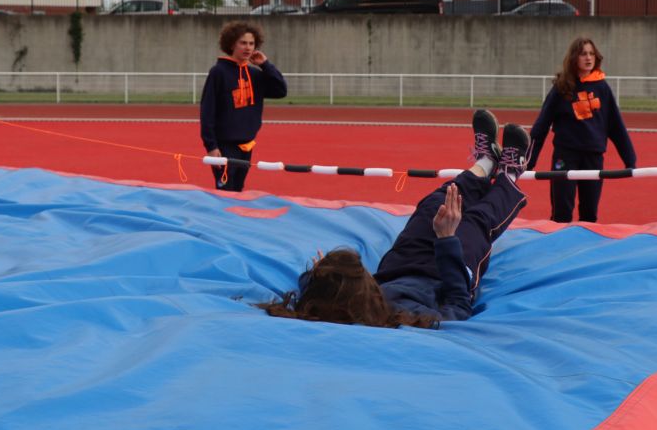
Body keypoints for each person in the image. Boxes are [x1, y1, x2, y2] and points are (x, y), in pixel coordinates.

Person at [258, 111, 529, 328]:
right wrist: (447, 240)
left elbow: (315, 292)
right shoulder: (406, 316)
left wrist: (318, 275)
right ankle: (510, 172)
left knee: (433, 205)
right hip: (446, 274)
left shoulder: (341, 300)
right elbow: (457, 306)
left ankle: (485, 162)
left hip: (401, 264)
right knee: (475, 221)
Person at [527, 36, 636, 224]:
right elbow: (541, 126)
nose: (588, 58)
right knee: (561, 214)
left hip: (593, 158)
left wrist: (630, 160)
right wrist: (529, 161)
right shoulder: (561, 88)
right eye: (583, 54)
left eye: (592, 54)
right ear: (574, 57)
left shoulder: (602, 87)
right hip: (565, 157)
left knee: (589, 214)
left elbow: (616, 126)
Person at [199, 21, 287, 192]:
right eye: (243, 43)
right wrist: (211, 146)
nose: (248, 48)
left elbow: (281, 90)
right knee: (226, 192)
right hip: (224, 146)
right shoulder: (218, 72)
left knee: (238, 190)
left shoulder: (255, 75)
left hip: (247, 145)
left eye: (251, 43)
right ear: (232, 44)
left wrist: (265, 65)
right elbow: (207, 111)